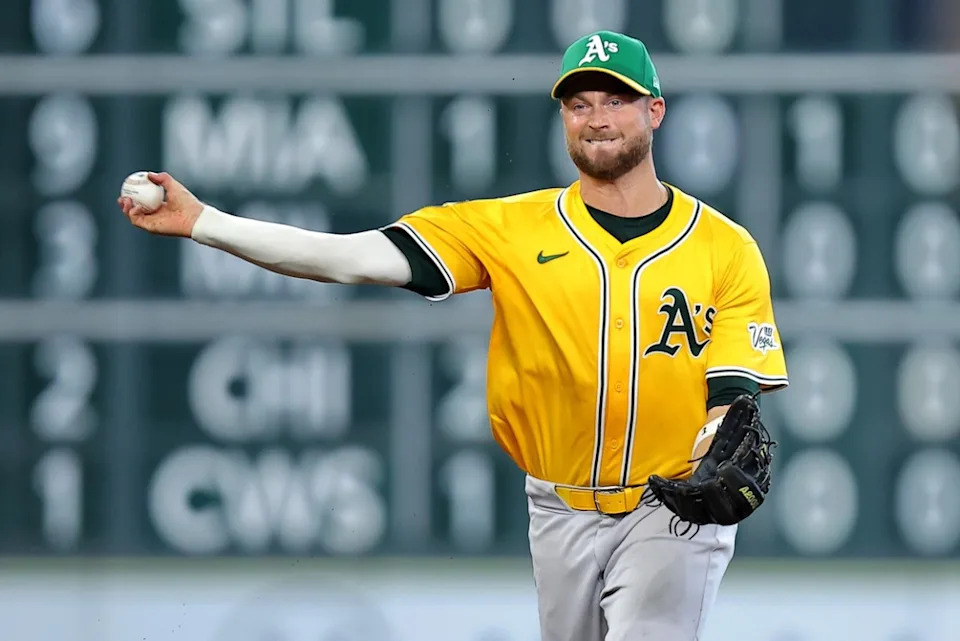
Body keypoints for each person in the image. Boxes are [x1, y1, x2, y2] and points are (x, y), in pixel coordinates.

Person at [119, 30, 788, 641]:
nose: (597, 117)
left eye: (617, 99)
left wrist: (712, 451)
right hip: (557, 507)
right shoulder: (508, 230)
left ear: (655, 112)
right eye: (579, 103)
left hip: (669, 503)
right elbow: (350, 256)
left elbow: (730, 394)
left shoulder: (724, 248)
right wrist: (205, 221)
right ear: (563, 117)